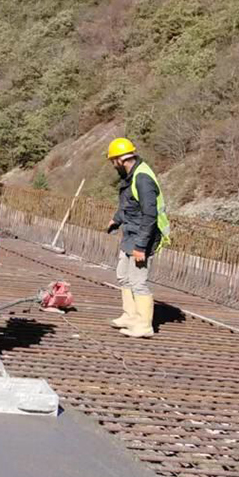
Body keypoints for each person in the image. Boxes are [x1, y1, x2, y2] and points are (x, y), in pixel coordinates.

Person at [104, 136, 169, 338]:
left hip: (144, 237)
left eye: (113, 161)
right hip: (132, 233)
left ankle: (144, 325)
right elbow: (130, 204)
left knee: (138, 281)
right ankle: (130, 315)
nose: (113, 165)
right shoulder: (131, 175)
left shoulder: (142, 178)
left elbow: (150, 215)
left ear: (120, 160)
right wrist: (116, 220)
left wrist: (141, 247)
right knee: (124, 275)